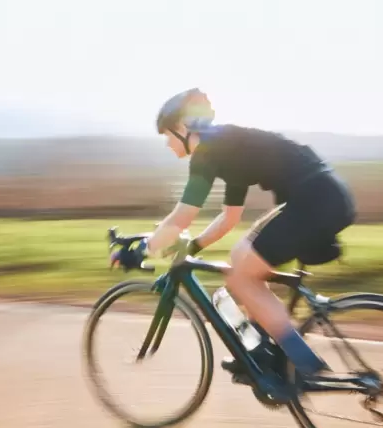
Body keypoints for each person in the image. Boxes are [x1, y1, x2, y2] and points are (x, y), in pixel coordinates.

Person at [114, 88, 356, 402]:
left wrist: (144, 249)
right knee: (241, 256)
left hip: (313, 202)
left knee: (241, 277)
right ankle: (263, 350)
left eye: (167, 134)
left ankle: (302, 363)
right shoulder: (229, 149)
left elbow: (183, 214)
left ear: (184, 128)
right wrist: (194, 246)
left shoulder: (210, 152)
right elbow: (229, 219)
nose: (167, 143)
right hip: (323, 197)